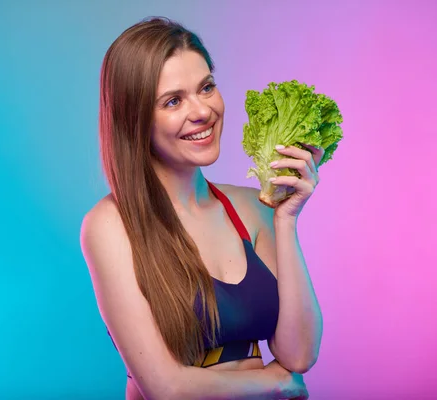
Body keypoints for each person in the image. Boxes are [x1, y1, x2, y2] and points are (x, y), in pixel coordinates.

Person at [80, 17, 324, 400]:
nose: (203, 111)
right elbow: (167, 388)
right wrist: (276, 384)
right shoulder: (110, 226)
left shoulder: (250, 208)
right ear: (135, 119)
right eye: (173, 101)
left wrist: (286, 219)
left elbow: (299, 354)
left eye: (206, 87)